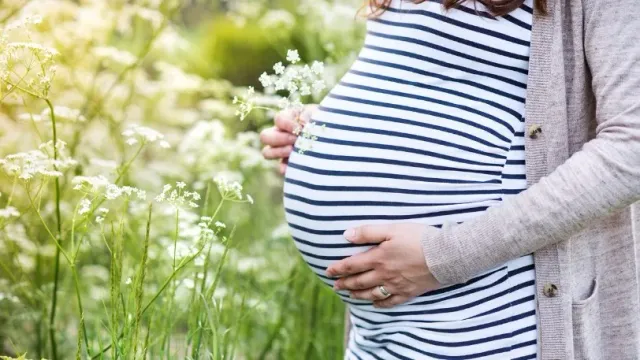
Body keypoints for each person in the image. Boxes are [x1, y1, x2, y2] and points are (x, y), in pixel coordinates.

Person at [259, 0, 640, 359]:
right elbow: (431, 73)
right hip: (378, 331)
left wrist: (443, 256)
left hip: (492, 319)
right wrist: (326, 131)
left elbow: (631, 148)